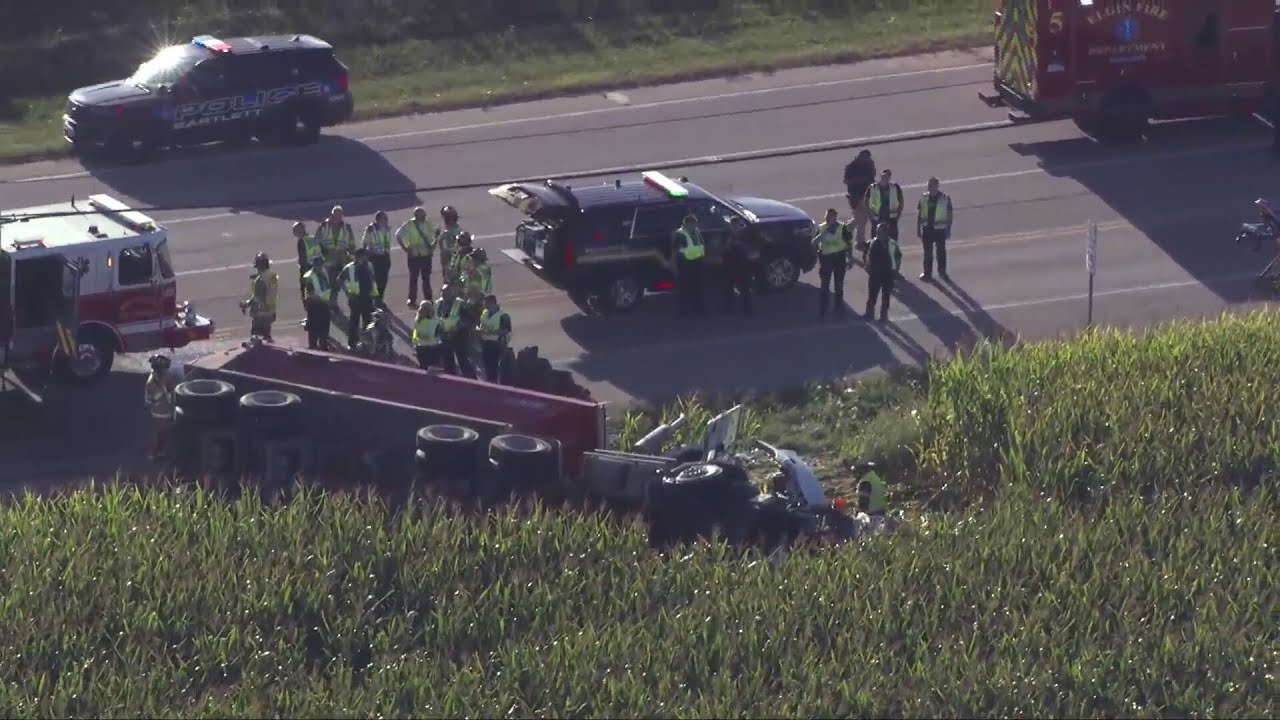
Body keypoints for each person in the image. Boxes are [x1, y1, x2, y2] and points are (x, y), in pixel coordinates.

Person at [813, 208, 853, 317]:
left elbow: (849, 243)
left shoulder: (842, 228)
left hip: (839, 259)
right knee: (824, 286)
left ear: (835, 217)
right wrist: (818, 254)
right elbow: (814, 243)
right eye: (826, 216)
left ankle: (838, 306)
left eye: (830, 216)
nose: (827, 218)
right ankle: (823, 308)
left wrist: (850, 258)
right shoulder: (822, 228)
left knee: (839, 284)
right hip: (826, 260)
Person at [338, 247, 379, 350]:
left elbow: (372, 279)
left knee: (368, 320)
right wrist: (347, 292)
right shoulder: (349, 267)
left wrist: (374, 294)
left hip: (367, 297)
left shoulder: (369, 265)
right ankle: (352, 343)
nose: (366, 257)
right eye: (365, 255)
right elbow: (340, 279)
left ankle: (367, 342)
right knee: (354, 321)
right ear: (359, 256)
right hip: (355, 298)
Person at [317, 205, 356, 311]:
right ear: (332, 215)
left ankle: (345, 301)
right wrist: (321, 253)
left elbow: (351, 243)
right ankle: (333, 303)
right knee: (333, 282)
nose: (338, 217)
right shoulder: (324, 227)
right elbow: (317, 241)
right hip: (329, 260)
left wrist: (351, 255)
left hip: (342, 259)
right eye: (336, 215)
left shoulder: (346, 227)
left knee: (342, 282)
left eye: (340, 215)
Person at [397, 206, 437, 306]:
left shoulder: (428, 224)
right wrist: (405, 248)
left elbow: (435, 235)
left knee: (426, 278)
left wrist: (434, 243)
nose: (424, 217)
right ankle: (412, 299)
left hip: (425, 255)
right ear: (416, 216)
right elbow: (398, 235)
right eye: (422, 215)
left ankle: (428, 298)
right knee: (413, 278)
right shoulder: (409, 225)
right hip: (414, 256)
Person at [435, 283, 476, 378]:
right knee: (447, 361)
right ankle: (452, 379)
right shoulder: (437, 304)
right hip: (444, 336)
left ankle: (471, 380)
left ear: (453, 293)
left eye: (448, 293)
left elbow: (469, 320)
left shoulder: (460, 304)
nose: (446, 295)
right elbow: (435, 319)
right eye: (444, 292)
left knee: (463, 360)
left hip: (459, 336)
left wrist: (457, 328)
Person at [917, 177, 953, 282]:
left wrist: (948, 229)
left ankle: (942, 272)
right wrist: (918, 229)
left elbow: (949, 215)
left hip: (939, 229)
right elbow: (919, 214)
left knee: (941, 252)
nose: (930, 187)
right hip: (927, 229)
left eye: (932, 185)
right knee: (927, 253)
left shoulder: (945, 198)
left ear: (937, 186)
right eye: (929, 185)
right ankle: (927, 273)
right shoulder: (923, 198)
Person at [864, 222, 900, 322]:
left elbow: (898, 257)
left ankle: (883, 315)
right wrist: (867, 266)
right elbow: (867, 255)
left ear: (886, 233)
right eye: (877, 232)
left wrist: (896, 271)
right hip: (875, 273)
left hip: (887, 274)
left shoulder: (892, 243)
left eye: (881, 232)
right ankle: (869, 313)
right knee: (872, 295)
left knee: (886, 295)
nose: (878, 234)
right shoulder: (872, 243)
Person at [722, 217, 760, 314]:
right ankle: (728, 308)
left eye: (737, 225)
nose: (735, 227)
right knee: (729, 289)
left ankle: (747, 309)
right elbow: (724, 250)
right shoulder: (728, 235)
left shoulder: (746, 235)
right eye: (733, 225)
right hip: (731, 266)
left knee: (745, 288)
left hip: (743, 266)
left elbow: (752, 250)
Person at [143, 353, 175, 461]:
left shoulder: (164, 377)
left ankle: (161, 451)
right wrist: (165, 389)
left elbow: (170, 388)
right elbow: (156, 397)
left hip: (167, 409)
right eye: (164, 369)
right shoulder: (152, 382)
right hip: (159, 412)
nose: (166, 371)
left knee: (165, 433)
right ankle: (153, 454)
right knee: (158, 433)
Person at [673, 214, 707, 315]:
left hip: (698, 262)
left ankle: (699, 308)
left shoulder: (696, 231)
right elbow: (674, 250)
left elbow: (701, 245)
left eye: (695, 224)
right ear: (687, 224)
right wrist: (674, 265)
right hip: (685, 264)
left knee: (698, 287)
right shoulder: (680, 234)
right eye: (693, 224)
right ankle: (684, 311)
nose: (695, 226)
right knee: (685, 288)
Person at [843, 149, 876, 249]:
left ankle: (845, 230)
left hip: (865, 195)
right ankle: (859, 242)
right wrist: (860, 181)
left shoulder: (869, 165)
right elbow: (846, 181)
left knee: (860, 218)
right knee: (862, 219)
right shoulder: (852, 167)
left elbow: (872, 179)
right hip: (855, 196)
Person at [240, 252, 278, 341]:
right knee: (267, 336)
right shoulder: (272, 276)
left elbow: (258, 298)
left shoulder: (259, 280)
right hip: (271, 311)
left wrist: (246, 304)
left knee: (257, 339)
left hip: (261, 314)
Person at [477, 294, 512, 383]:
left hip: (497, 345)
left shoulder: (503, 316)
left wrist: (488, 332)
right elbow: (481, 324)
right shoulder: (484, 313)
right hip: (485, 344)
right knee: (487, 367)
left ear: (493, 303)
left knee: (496, 368)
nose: (485, 304)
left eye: (487, 302)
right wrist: (478, 330)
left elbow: (505, 331)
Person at [864, 168, 904, 243]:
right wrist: (869, 215)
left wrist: (898, 213)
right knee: (875, 240)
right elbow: (866, 201)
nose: (884, 178)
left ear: (889, 177)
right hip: (877, 218)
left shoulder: (895, 187)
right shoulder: (872, 187)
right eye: (883, 176)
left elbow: (901, 200)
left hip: (891, 218)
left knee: (893, 240)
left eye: (886, 176)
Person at [301, 255, 332, 350]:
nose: (321, 266)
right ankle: (313, 345)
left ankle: (323, 344)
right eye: (319, 264)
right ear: (315, 264)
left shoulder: (323, 272)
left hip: (324, 303)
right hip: (315, 304)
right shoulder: (309, 276)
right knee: (314, 326)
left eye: (321, 264)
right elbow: (310, 293)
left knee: (325, 326)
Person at [362, 210, 394, 304]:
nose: (386, 220)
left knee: (384, 279)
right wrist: (366, 256)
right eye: (385, 218)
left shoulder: (387, 228)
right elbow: (364, 243)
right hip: (375, 258)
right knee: (375, 280)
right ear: (378, 219)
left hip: (385, 256)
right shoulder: (371, 230)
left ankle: (380, 297)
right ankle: (374, 298)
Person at [411, 300, 444, 370]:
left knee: (424, 369)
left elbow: (415, 335)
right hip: (433, 349)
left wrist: (415, 346)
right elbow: (439, 336)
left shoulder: (417, 322)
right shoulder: (436, 322)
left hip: (420, 349)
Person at [437, 205, 465, 284]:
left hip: (451, 252)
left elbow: (441, 240)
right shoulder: (458, 229)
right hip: (456, 252)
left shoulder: (449, 231)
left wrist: (442, 250)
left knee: (449, 272)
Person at [293, 221, 320, 303]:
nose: (293, 232)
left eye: (295, 230)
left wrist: (303, 275)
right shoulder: (312, 238)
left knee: (306, 292)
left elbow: (303, 258)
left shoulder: (301, 241)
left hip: (307, 268)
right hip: (317, 267)